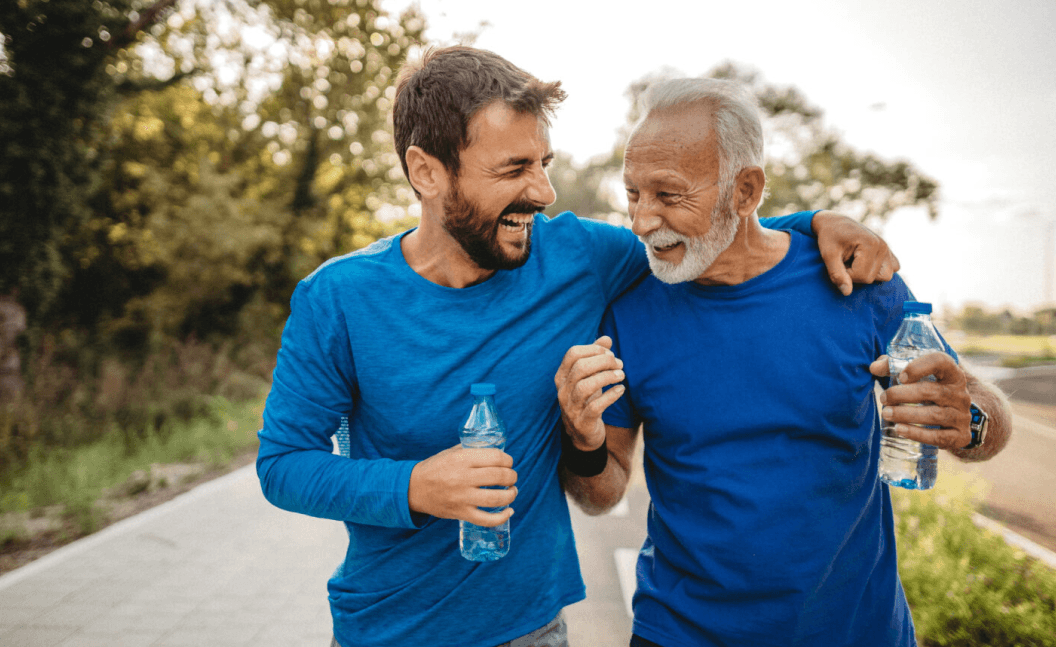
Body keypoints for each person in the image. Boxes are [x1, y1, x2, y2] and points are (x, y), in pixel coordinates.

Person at [256, 46, 900, 647]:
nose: (541, 192)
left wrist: (815, 225)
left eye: (543, 164)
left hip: (535, 628)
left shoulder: (580, 258)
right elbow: (283, 465)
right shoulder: (337, 299)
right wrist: (415, 486)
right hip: (389, 628)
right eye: (513, 169)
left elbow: (713, 236)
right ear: (426, 171)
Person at [555, 77, 1012, 647]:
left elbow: (985, 416)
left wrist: (970, 419)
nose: (643, 221)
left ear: (745, 192)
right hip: (680, 633)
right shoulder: (629, 311)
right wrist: (582, 437)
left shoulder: (856, 280)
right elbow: (603, 493)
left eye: (669, 195)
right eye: (633, 194)